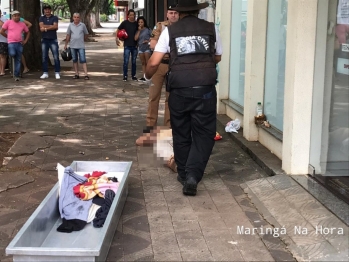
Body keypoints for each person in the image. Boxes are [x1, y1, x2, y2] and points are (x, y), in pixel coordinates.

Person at [144, 0, 223, 196]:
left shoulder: (169, 31)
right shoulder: (211, 28)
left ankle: (184, 172)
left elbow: (154, 62)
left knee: (180, 130)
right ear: (197, 11)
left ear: (179, 13)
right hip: (204, 88)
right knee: (204, 133)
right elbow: (218, 56)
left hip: (179, 89)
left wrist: (147, 75)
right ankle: (192, 175)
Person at [135, 7, 179, 146]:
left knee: (170, 99)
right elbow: (153, 44)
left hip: (174, 66)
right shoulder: (160, 26)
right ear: (167, 14)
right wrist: (172, 48)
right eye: (171, 13)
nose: (173, 15)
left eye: (176, 13)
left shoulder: (182, 27)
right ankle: (149, 130)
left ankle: (168, 131)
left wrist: (165, 47)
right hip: (159, 65)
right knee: (153, 97)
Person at [0, 10, 30, 81]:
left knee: (18, 60)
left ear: (19, 16)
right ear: (12, 16)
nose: (16, 17)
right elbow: (2, 31)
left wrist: (25, 40)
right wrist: (7, 36)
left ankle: (16, 75)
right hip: (11, 43)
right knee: (12, 53)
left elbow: (28, 32)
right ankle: (13, 57)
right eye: (14, 16)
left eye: (18, 15)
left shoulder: (22, 24)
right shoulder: (8, 22)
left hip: (19, 43)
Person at [64, 13, 90, 80]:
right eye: (75, 17)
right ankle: (76, 74)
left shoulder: (82, 25)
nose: (76, 18)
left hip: (81, 46)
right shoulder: (70, 25)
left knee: (83, 60)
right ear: (73, 18)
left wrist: (83, 39)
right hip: (72, 46)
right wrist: (66, 44)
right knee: (75, 60)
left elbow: (86, 34)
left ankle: (86, 74)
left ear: (79, 18)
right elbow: (68, 35)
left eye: (77, 17)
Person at [115, 9, 138, 81]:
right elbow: (118, 29)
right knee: (126, 61)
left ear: (135, 15)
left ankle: (133, 75)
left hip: (135, 45)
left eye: (133, 15)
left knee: (134, 61)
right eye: (130, 15)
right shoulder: (125, 23)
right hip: (127, 45)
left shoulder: (136, 24)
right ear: (128, 16)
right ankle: (125, 76)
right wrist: (116, 38)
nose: (132, 16)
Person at [39, 4, 60, 79]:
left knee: (56, 56)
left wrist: (45, 28)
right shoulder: (41, 18)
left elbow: (56, 27)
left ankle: (57, 72)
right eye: (45, 9)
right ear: (44, 10)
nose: (47, 11)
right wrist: (51, 26)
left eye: (48, 9)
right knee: (44, 57)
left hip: (53, 39)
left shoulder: (54, 17)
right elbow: (41, 27)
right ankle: (45, 72)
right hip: (44, 39)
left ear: (50, 10)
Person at [134, 16, 151, 82]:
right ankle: (143, 76)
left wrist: (148, 41)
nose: (140, 23)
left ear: (144, 23)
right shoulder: (138, 30)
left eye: (142, 22)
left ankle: (148, 76)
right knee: (143, 63)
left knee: (147, 62)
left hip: (147, 48)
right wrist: (139, 31)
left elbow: (153, 37)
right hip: (140, 48)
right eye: (139, 22)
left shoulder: (148, 30)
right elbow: (135, 38)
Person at [0, 10, 8, 76]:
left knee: (3, 55)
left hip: (3, 40)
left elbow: (4, 26)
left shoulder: (4, 19)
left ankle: (3, 70)